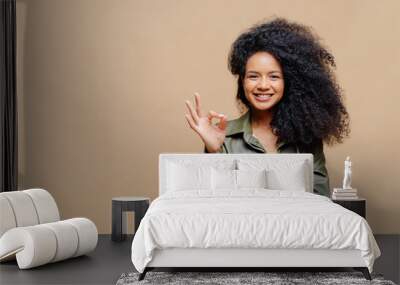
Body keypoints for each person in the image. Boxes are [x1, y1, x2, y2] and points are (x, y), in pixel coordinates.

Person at [184, 18, 350, 197]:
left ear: (290, 82)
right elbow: (215, 202)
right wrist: (213, 151)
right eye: (253, 76)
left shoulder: (307, 138)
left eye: (274, 77)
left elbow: (320, 199)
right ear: (242, 81)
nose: (263, 85)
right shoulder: (224, 136)